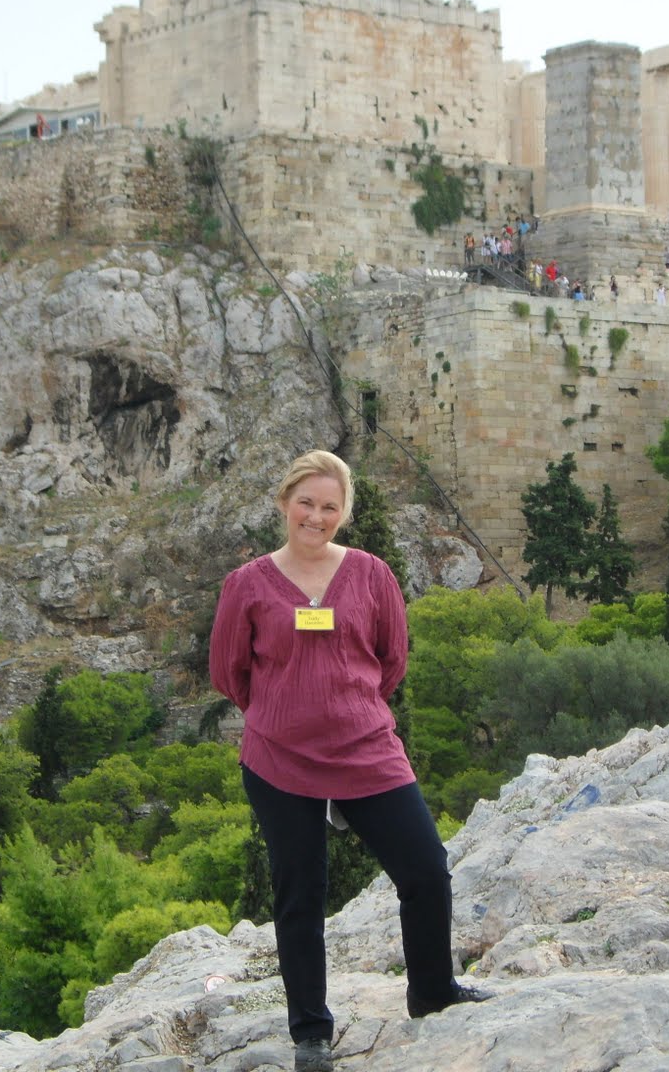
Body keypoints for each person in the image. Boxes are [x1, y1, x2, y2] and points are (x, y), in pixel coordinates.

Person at [210, 451, 489, 1071]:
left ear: (345, 513)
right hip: (280, 761)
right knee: (300, 894)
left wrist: (344, 707)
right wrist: (288, 714)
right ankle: (311, 1031)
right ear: (284, 504)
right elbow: (229, 673)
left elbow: (392, 660)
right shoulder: (249, 583)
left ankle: (433, 993)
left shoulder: (370, 574)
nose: (316, 515)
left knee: (426, 870)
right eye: (306, 502)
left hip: (366, 750)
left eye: (329, 506)